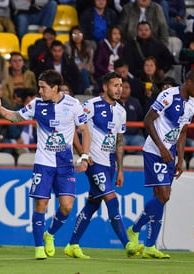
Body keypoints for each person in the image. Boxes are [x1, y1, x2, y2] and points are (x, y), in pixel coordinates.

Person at [0, 69, 91, 259]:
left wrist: (84, 156)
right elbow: (15, 117)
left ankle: (49, 234)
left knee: (67, 206)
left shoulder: (73, 104)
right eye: (39, 87)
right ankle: (38, 248)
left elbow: (84, 130)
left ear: (55, 88)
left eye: (43, 88)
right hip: (43, 163)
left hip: (65, 164)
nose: (40, 91)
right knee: (41, 204)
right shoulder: (36, 104)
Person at [126, 68, 194, 259]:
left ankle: (149, 246)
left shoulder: (191, 104)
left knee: (160, 198)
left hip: (169, 154)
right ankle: (135, 229)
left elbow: (183, 132)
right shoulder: (168, 95)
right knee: (164, 195)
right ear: (190, 83)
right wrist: (161, 148)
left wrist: (180, 158)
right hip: (155, 151)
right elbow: (148, 121)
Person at [64, 72, 144, 259]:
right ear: (105, 87)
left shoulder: (121, 111)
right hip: (94, 162)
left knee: (92, 204)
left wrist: (121, 169)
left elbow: (119, 142)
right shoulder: (90, 106)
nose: (119, 89)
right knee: (112, 200)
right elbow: (73, 129)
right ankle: (128, 245)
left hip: (109, 164)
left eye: (121, 85)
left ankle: (72, 245)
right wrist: (83, 154)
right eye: (115, 85)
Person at [65, 26, 95, 94]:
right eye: (74, 34)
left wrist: (86, 67)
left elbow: (90, 65)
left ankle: (86, 90)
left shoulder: (88, 47)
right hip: (73, 73)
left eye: (79, 34)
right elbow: (68, 64)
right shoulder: (68, 46)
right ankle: (87, 89)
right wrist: (76, 67)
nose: (77, 36)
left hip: (87, 74)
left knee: (84, 72)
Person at [120, 78, 145, 152]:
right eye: (122, 87)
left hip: (135, 136)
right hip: (119, 136)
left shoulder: (135, 102)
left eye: (126, 87)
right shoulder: (113, 102)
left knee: (142, 145)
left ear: (130, 89)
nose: (124, 90)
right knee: (118, 145)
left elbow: (141, 118)